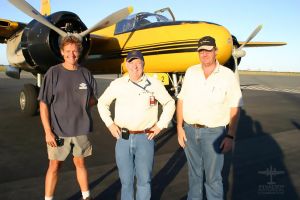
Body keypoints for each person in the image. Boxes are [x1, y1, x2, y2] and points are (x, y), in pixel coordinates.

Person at [97, 50, 175, 200]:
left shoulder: (154, 84)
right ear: (126, 65)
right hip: (123, 138)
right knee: (126, 181)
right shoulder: (118, 84)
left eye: (138, 62)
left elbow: (169, 103)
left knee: (144, 180)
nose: (135, 66)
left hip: (145, 137)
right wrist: (110, 124)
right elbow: (102, 103)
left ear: (143, 64)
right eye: (131, 62)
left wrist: (160, 126)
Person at [176, 36, 243, 200]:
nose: (204, 54)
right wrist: (179, 127)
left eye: (208, 50)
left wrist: (230, 135)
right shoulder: (191, 72)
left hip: (215, 133)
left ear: (215, 52)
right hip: (190, 131)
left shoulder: (227, 75)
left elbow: (235, 106)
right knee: (194, 176)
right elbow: (181, 99)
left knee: (213, 179)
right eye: (201, 51)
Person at [38, 35, 98, 200]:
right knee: (54, 165)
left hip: (81, 129)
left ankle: (86, 196)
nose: (72, 55)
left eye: (75, 51)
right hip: (58, 131)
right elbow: (44, 104)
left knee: (80, 163)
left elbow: (93, 99)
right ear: (62, 52)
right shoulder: (53, 72)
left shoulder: (85, 73)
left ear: (79, 52)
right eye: (68, 51)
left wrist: (81, 105)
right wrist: (48, 131)